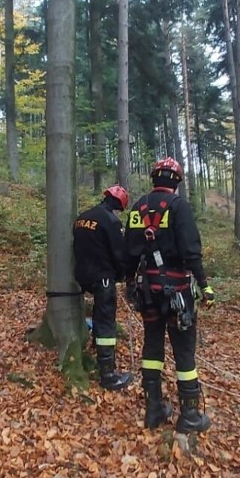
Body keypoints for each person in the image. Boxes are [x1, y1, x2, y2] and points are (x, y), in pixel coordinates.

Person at [124, 157, 215, 434]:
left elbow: (128, 250)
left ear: (154, 179)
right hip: (178, 292)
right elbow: (191, 250)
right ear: (176, 182)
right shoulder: (178, 206)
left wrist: (130, 283)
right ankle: (188, 415)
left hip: (147, 291)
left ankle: (154, 409)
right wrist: (204, 285)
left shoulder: (138, 207)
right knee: (184, 349)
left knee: (152, 344)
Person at [73, 185, 133, 392]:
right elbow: (118, 252)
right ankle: (107, 373)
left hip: (82, 277)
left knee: (98, 318)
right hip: (103, 277)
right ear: (118, 204)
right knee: (106, 322)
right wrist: (123, 274)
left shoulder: (82, 217)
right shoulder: (111, 220)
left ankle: (93, 351)